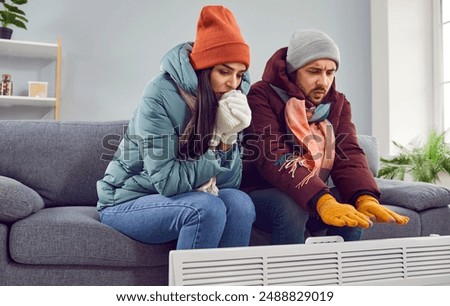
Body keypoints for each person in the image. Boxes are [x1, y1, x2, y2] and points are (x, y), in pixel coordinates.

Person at [97, 5, 255, 249]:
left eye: (239, 74)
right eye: (224, 72)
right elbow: (168, 182)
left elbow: (229, 184)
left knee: (240, 203)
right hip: (127, 200)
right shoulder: (159, 94)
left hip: (183, 196)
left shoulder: (226, 101)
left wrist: (228, 137)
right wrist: (214, 139)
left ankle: (229, 287)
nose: (232, 84)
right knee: (208, 209)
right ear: (204, 68)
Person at [241, 29, 409, 245]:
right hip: (266, 192)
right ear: (293, 71)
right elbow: (273, 155)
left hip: (314, 192)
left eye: (330, 73)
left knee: (355, 211)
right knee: (290, 206)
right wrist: (322, 200)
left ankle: (342, 275)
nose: (324, 81)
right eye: (314, 71)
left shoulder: (337, 103)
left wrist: (364, 197)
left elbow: (348, 153)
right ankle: (290, 276)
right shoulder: (261, 95)